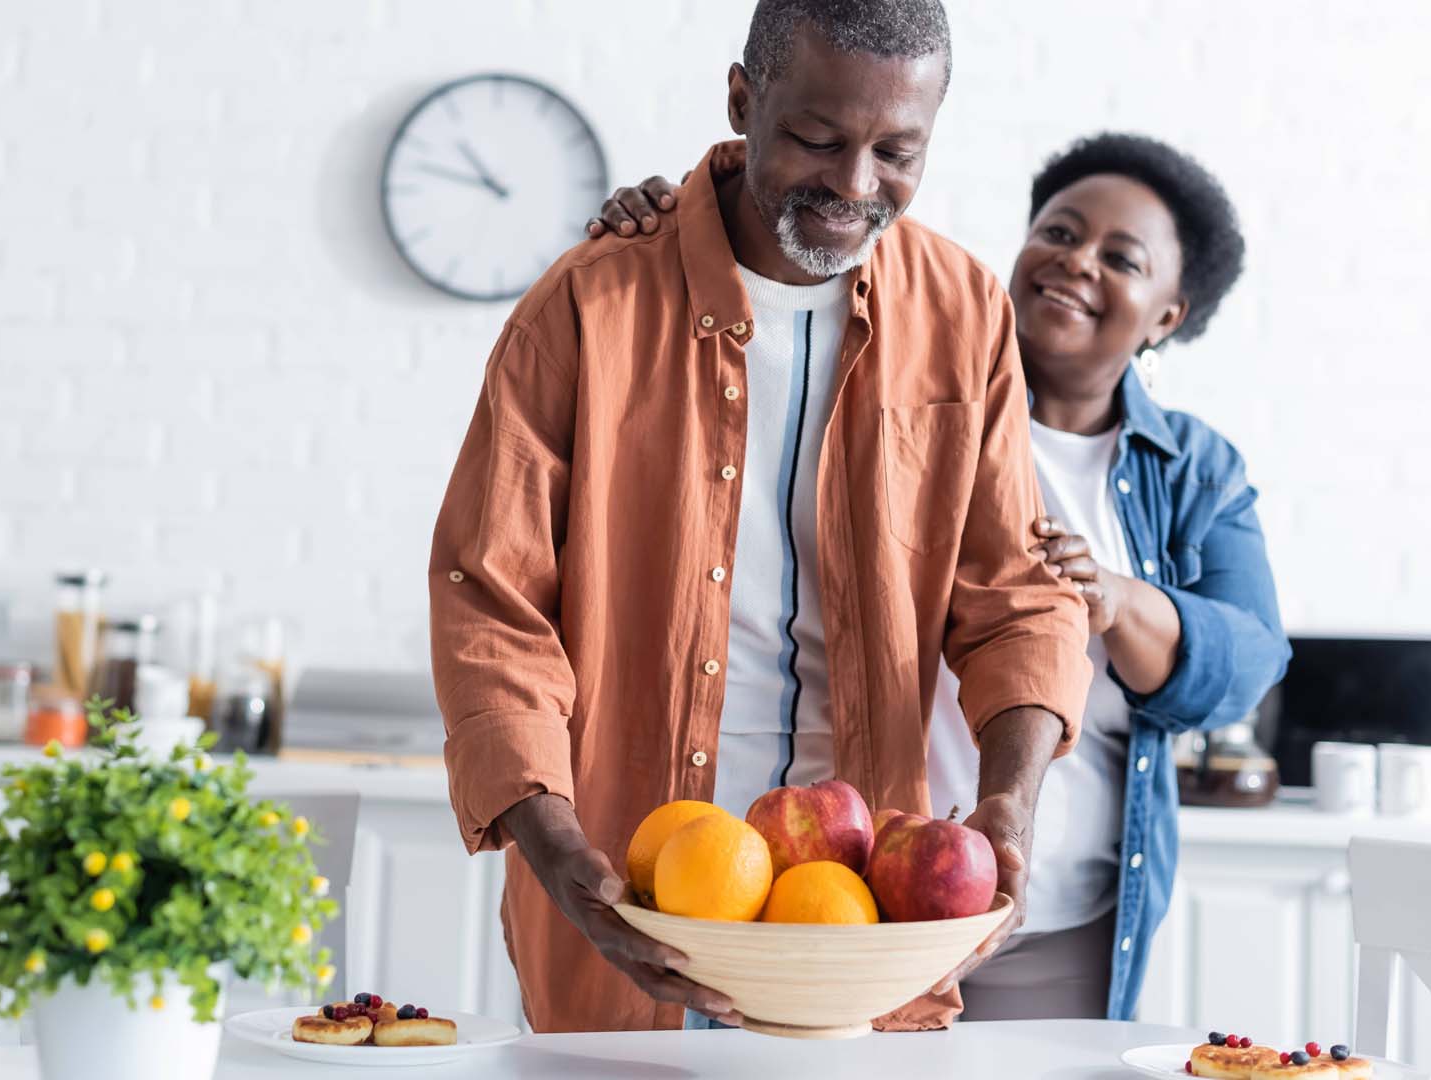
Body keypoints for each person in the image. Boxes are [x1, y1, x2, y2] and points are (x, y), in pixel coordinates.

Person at [430, 0, 1094, 1035]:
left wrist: (1011, 801)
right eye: (818, 139)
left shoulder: (965, 312)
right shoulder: (587, 306)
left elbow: (1012, 598)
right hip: (633, 906)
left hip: (867, 936)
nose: (856, 185)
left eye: (898, 151)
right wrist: (558, 852)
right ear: (743, 98)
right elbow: (493, 610)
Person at [587, 132, 1289, 1021]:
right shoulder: (912, 382)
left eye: (1120, 258)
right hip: (872, 893)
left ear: (1166, 317)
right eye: (1060, 232)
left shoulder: (1193, 468)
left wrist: (1117, 601)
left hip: (1072, 906)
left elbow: (1249, 665)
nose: (1076, 263)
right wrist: (687, 229)